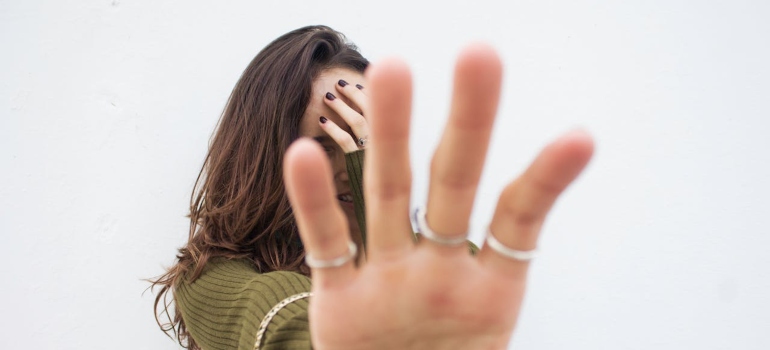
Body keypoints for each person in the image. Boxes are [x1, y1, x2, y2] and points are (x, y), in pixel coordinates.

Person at [151, 25, 594, 350]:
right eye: (325, 145)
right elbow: (283, 324)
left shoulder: (447, 268)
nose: (350, 165)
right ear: (265, 159)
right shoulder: (213, 279)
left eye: (364, 142)